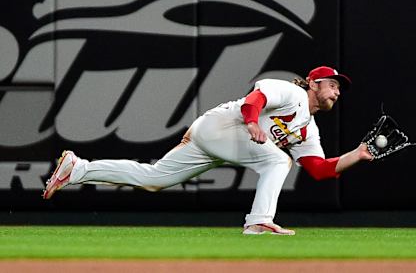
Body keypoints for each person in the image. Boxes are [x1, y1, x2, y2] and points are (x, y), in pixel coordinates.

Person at [43, 66, 373, 235]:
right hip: (223, 127)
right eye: (333, 84)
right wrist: (253, 122)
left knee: (156, 178)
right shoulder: (292, 92)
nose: (337, 90)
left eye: (340, 88)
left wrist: (357, 155)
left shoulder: (307, 129)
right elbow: (253, 101)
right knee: (278, 160)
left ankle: (79, 169)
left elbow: (318, 168)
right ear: (313, 83)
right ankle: (258, 221)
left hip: (217, 140)